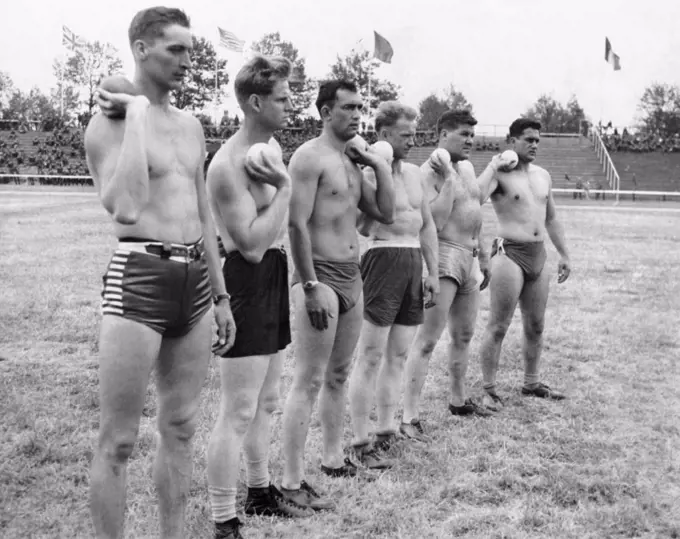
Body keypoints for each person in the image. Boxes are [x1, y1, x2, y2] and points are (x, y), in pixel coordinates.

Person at [84, 7, 235, 539]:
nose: (187, 62)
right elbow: (125, 206)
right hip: (140, 276)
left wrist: (221, 295)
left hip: (194, 280)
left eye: (191, 51)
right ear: (142, 49)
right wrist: (140, 116)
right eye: (176, 49)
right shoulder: (109, 124)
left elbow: (202, 213)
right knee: (119, 439)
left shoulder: (192, 125)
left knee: (181, 426)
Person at [205, 56, 314, 539]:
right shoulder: (227, 164)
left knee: (268, 399)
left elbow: (274, 234)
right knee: (239, 408)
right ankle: (223, 518)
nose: (292, 105)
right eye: (283, 98)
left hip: (274, 271)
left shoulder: (268, 147)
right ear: (255, 101)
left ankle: (260, 489)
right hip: (246, 278)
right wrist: (286, 187)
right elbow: (248, 245)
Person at [280, 79, 396, 508]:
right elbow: (296, 225)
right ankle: (291, 482)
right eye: (348, 107)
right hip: (321, 277)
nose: (356, 114)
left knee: (339, 375)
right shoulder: (309, 157)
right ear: (326, 112)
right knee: (308, 380)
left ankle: (331, 458)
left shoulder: (351, 159)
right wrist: (309, 285)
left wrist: (376, 165)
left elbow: (383, 212)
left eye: (359, 107)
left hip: (352, 273)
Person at [347, 101, 439, 461]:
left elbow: (427, 225)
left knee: (398, 353)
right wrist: (376, 167)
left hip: (413, 258)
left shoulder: (416, 174)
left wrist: (432, 272)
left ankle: (386, 429)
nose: (412, 141)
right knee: (370, 354)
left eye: (415, 134)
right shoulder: (368, 173)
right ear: (384, 134)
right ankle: (359, 440)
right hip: (383, 257)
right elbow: (362, 224)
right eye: (405, 134)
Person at [402, 110, 493, 438]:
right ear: (442, 135)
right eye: (463, 134)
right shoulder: (430, 171)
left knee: (464, 336)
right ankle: (409, 417)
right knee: (427, 340)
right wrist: (449, 182)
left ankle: (458, 399)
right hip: (443, 257)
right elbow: (433, 223)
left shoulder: (466, 166)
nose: (470, 140)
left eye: (472, 134)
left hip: (468, 258)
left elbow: (475, 211)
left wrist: (483, 255)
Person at [476, 118, 572, 410]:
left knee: (537, 325)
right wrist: (493, 166)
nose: (534, 145)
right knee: (498, 325)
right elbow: (474, 197)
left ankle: (531, 382)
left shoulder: (543, 175)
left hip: (538, 253)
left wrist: (564, 254)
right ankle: (489, 389)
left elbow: (551, 217)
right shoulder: (502, 174)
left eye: (537, 140)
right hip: (510, 255)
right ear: (512, 141)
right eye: (528, 139)